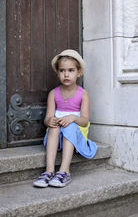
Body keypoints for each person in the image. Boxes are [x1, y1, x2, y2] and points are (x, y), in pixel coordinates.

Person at [33, 49, 98, 188]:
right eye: (62, 71)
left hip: (75, 136)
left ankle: (64, 171)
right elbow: (47, 118)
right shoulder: (53, 94)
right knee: (53, 126)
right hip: (56, 138)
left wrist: (73, 117)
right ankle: (49, 171)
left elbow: (85, 120)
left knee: (70, 126)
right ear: (58, 73)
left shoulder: (83, 94)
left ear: (79, 72)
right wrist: (50, 120)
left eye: (71, 70)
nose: (66, 74)